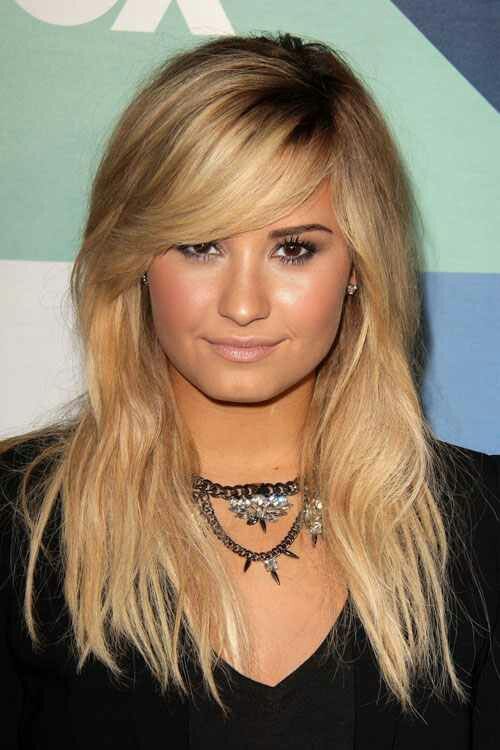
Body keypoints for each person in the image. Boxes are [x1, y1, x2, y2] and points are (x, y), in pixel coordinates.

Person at [0, 31, 499, 750]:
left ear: (358, 266)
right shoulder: (21, 524)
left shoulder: (480, 527)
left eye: (293, 249)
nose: (243, 304)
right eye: (201, 244)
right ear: (136, 258)